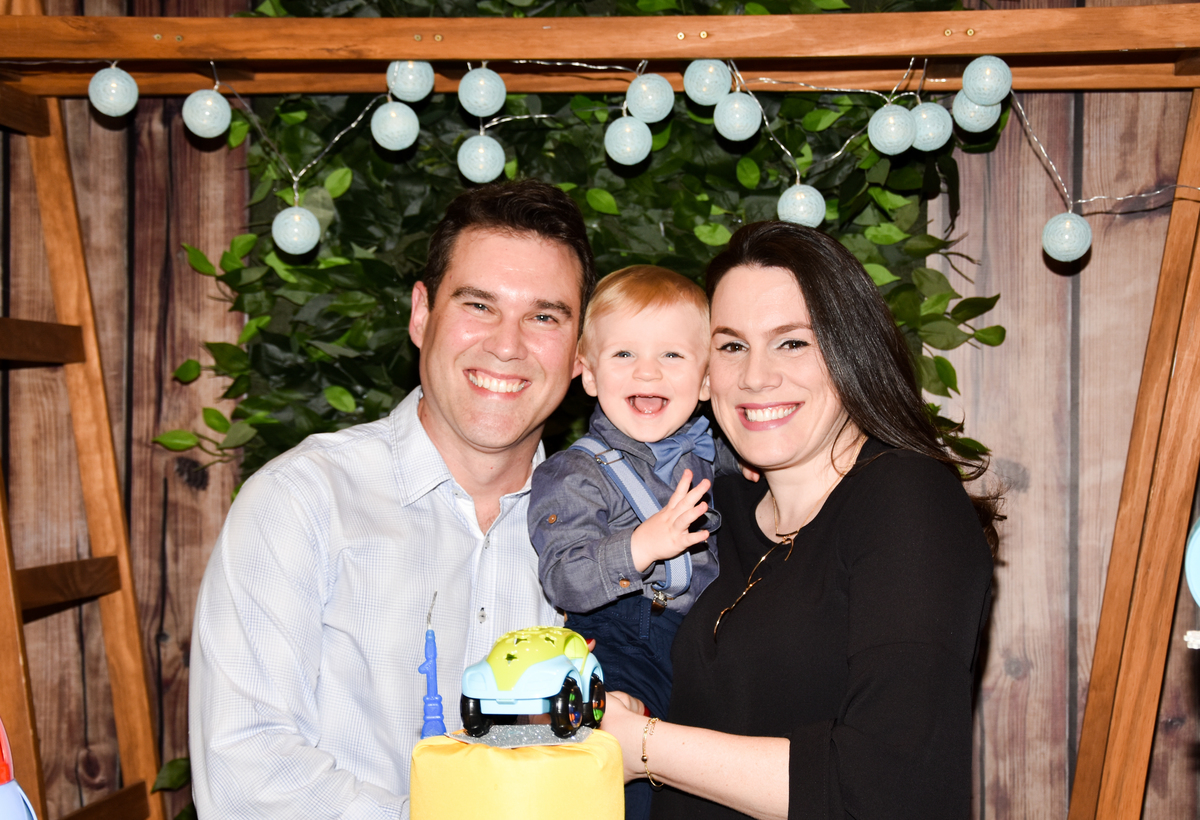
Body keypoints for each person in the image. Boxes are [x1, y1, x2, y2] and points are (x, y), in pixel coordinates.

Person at [188, 179, 596, 819]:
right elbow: (244, 773)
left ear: (580, 354)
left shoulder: (610, 536)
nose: (507, 345)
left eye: (544, 316)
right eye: (479, 305)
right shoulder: (300, 502)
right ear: (421, 315)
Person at [600, 221, 998, 820]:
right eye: (732, 346)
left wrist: (644, 747)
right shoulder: (709, 507)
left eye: (791, 343)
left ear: (850, 350)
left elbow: (893, 788)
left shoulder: (907, 502)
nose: (755, 377)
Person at [528, 265, 739, 820]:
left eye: (672, 354)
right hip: (623, 635)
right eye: (624, 354)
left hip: (698, 645)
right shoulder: (575, 473)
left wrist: (758, 464)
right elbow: (563, 578)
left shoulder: (713, 453)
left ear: (706, 381)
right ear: (589, 373)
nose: (648, 370)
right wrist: (640, 545)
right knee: (622, 780)